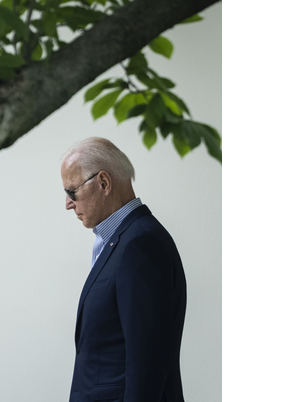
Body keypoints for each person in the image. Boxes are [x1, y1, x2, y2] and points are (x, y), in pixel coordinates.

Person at [61, 137, 186, 402]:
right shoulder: (122, 241)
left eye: (72, 192)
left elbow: (147, 364)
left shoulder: (140, 244)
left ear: (103, 183)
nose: (68, 204)